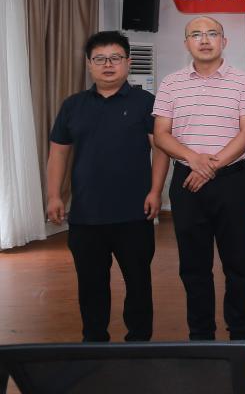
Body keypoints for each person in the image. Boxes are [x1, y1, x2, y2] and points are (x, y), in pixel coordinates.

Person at [45, 30, 169, 342]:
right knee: (90, 285)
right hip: (86, 215)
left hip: (134, 213)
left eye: (115, 58)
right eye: (99, 59)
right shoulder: (73, 105)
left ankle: (139, 341)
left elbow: (161, 150)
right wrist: (54, 195)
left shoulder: (146, 103)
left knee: (138, 282)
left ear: (128, 62)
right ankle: (94, 341)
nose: (108, 64)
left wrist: (156, 191)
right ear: (89, 64)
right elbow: (58, 153)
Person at [153, 16, 245, 345]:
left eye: (212, 33)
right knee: (193, 265)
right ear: (186, 43)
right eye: (196, 34)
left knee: (236, 264)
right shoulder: (171, 83)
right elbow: (161, 134)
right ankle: (201, 337)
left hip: (232, 182)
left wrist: (209, 166)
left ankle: (240, 335)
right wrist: (194, 160)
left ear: (224, 42)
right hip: (187, 183)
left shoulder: (244, 82)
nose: (204, 40)